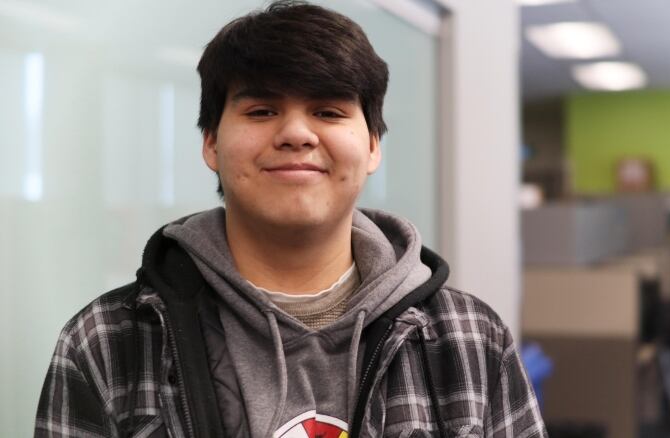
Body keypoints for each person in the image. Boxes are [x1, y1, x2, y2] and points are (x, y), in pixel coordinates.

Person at [35, 1, 547, 437]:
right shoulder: (107, 341)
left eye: (328, 112)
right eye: (261, 111)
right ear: (211, 143)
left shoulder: (470, 339)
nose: (297, 134)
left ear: (371, 146)